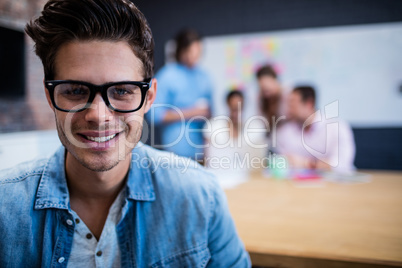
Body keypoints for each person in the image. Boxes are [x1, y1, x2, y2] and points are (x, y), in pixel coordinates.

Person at [0, 1, 250, 267]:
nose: (98, 115)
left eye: (121, 91)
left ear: (149, 97)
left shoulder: (201, 198)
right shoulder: (5, 209)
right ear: (50, 96)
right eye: (74, 90)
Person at [150, 28, 213, 161]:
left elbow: (211, 111)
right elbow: (154, 115)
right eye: (191, 52)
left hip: (202, 151)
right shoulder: (167, 76)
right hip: (176, 152)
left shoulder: (204, 77)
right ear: (181, 50)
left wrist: (206, 113)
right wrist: (191, 113)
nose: (195, 57)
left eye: (198, 52)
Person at [274, 86, 356, 172]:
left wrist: (305, 163)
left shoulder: (337, 128)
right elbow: (282, 163)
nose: (289, 110)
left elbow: (341, 165)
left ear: (309, 103)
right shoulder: (285, 131)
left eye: (293, 105)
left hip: (337, 183)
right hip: (297, 183)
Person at [204, 90, 266, 178]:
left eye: (239, 108)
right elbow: (209, 158)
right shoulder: (214, 127)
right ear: (227, 105)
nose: (236, 112)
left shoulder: (252, 131)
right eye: (233, 108)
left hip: (243, 178)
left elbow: (256, 161)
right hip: (219, 176)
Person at [256, 64, 287, 134]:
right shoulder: (262, 99)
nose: (266, 94)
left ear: (275, 81)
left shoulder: (288, 95)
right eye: (262, 90)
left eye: (267, 89)